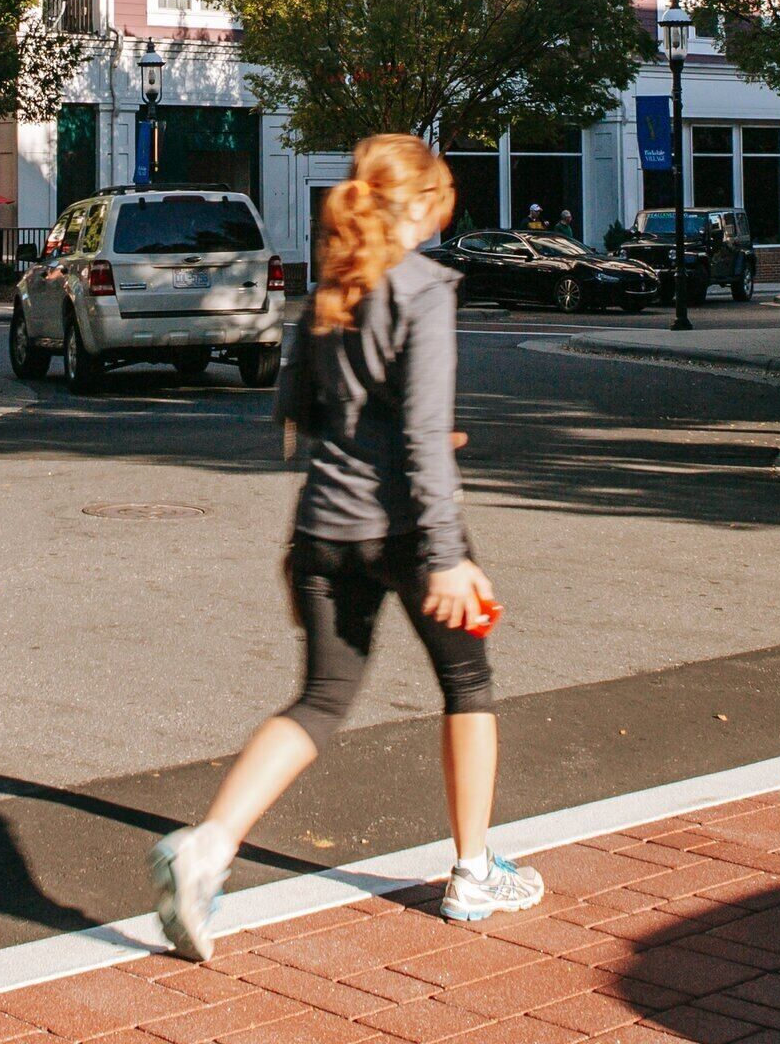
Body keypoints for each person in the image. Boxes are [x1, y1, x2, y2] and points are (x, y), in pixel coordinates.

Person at [148, 134, 536, 959]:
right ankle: (473, 871)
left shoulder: (332, 287)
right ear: (426, 208)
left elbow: (297, 410)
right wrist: (448, 556)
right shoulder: (425, 288)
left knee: (320, 701)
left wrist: (308, 532)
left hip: (324, 524)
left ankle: (207, 848)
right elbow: (424, 436)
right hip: (408, 528)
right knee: (469, 682)